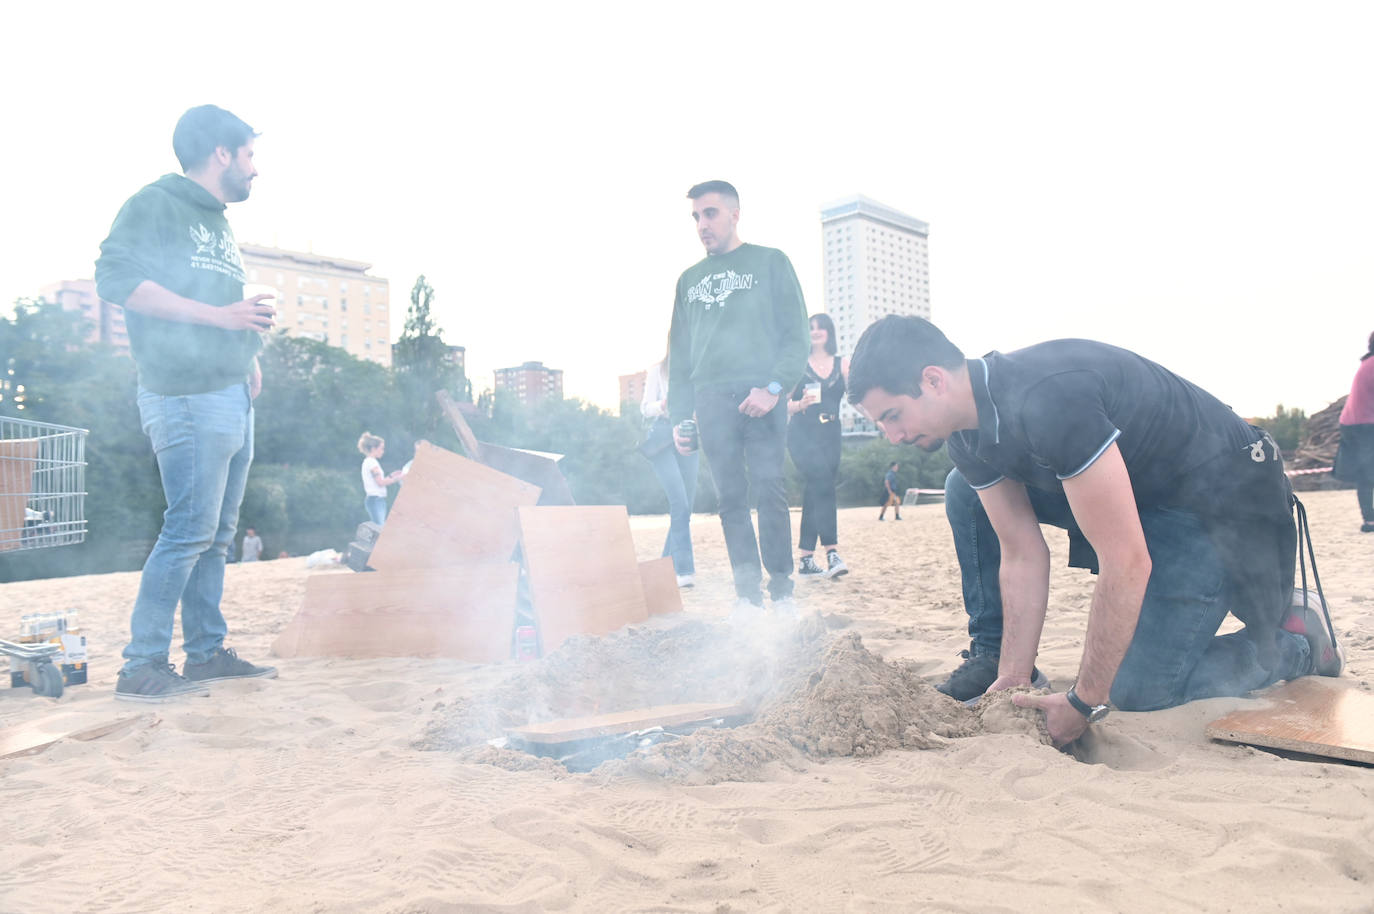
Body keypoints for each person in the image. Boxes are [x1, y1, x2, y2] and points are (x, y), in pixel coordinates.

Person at [848, 315, 1344, 747]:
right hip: (1146, 505)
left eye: (892, 416)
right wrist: (1013, 676)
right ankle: (991, 656)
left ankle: (1294, 643)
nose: (893, 436)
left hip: (1218, 518)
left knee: (1136, 691)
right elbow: (1021, 554)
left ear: (933, 380)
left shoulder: (1050, 397)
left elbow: (1126, 559)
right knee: (963, 488)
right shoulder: (965, 437)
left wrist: (1084, 703)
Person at [95, 104, 279, 702]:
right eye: (250, 154)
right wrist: (222, 317)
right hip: (184, 397)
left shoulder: (220, 223)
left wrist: (244, 353)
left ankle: (204, 654)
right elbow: (115, 280)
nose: (257, 169)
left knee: (217, 536)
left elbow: (218, 303)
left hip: (230, 394)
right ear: (221, 153)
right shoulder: (156, 203)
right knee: (187, 531)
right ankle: (141, 665)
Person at [668, 180, 809, 612]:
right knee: (729, 498)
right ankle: (747, 598)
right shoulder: (688, 280)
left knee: (769, 488)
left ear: (734, 214)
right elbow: (679, 354)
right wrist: (679, 416)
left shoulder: (770, 262)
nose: (701, 224)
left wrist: (773, 388)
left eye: (710, 213)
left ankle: (782, 591)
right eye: (696, 216)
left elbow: (797, 335)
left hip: (760, 392)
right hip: (710, 398)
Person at [787, 313, 848, 579]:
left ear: (829, 331)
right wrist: (799, 404)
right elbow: (781, 403)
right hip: (802, 433)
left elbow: (857, 397)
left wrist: (879, 418)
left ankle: (805, 560)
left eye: (821, 327)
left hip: (831, 434)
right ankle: (832, 552)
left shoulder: (842, 363)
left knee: (817, 490)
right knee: (822, 483)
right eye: (811, 327)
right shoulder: (798, 365)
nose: (816, 331)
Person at [642, 354, 698, 587]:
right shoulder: (657, 370)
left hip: (690, 434)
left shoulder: (698, 369)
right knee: (680, 503)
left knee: (687, 507)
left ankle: (664, 566)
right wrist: (662, 405)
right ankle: (683, 569)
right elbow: (645, 408)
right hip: (663, 437)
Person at [1334, 332, 1374, 532]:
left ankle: (1369, 519)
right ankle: (1370, 521)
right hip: (1363, 425)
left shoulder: (1368, 363)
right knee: (1367, 473)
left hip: (1354, 423)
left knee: (1366, 474)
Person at [358, 432, 400, 525]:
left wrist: (391, 476)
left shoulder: (369, 462)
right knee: (380, 529)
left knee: (380, 528)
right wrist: (399, 478)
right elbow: (380, 483)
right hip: (376, 500)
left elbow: (379, 480)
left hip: (375, 500)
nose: (383, 451)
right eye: (381, 448)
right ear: (373, 449)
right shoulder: (372, 463)